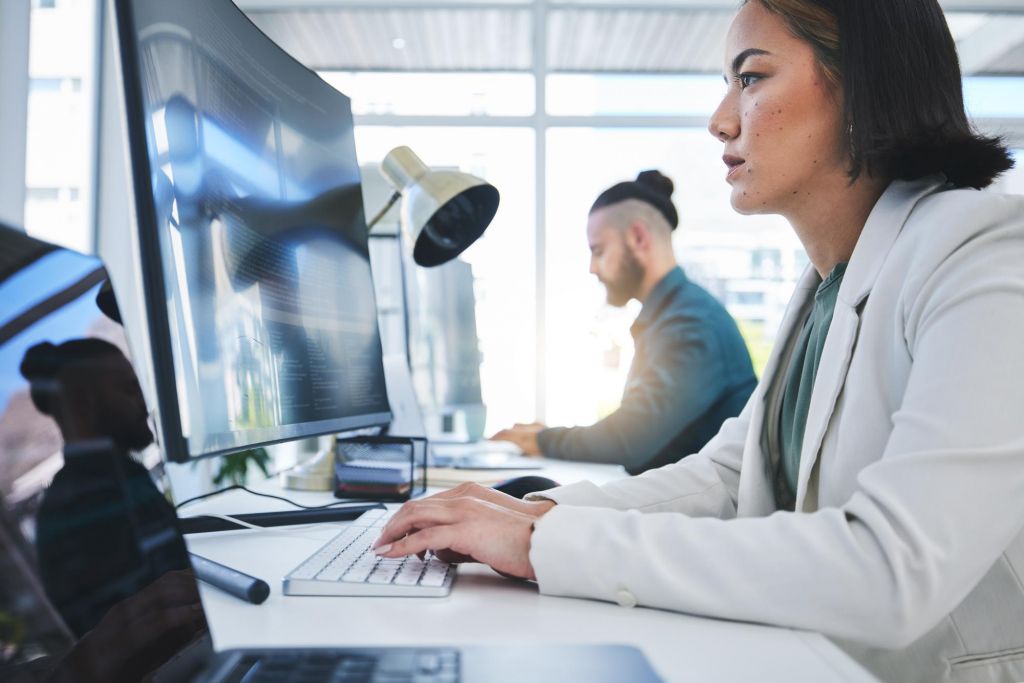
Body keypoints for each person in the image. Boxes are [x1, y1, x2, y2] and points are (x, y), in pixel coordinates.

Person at [373, 1, 1024, 681]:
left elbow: (895, 567)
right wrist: (525, 512)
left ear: (862, 83)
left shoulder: (985, 254)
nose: (719, 120)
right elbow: (725, 476)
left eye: (751, 78)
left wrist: (544, 540)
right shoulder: (826, 283)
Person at [492, 170, 757, 474]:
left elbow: (630, 438)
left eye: (598, 251)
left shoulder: (692, 323)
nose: (592, 268)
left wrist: (543, 440)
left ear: (638, 237)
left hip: (703, 514)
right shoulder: (671, 315)